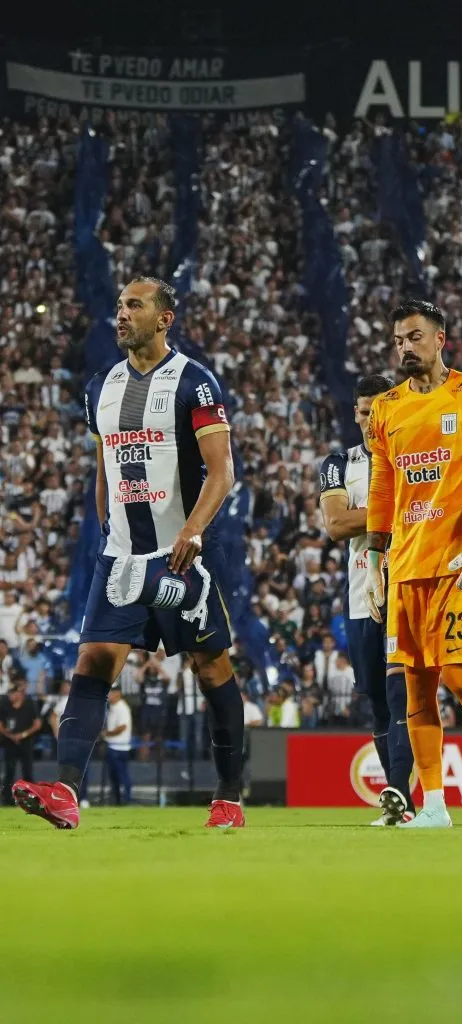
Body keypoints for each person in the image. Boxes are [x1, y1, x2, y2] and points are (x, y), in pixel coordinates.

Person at [12, 277, 246, 831]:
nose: (121, 314)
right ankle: (66, 790)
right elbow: (105, 471)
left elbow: (223, 470)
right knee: (92, 662)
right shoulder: (99, 388)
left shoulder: (195, 382)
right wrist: (107, 530)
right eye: (118, 305)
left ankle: (230, 797)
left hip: (180, 557)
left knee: (211, 669)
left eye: (134, 306)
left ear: (164, 319)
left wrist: (192, 531)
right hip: (121, 557)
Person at [365, 299, 462, 828]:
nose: (405, 348)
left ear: (440, 339)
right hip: (407, 564)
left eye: (414, 337)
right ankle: (433, 803)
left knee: (458, 675)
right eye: (398, 341)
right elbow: (383, 485)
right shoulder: (386, 408)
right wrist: (372, 558)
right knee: (416, 686)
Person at [320, 373, 416, 826]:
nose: (368, 420)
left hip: (406, 588)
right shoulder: (339, 463)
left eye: (376, 411)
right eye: (362, 412)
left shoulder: (413, 458)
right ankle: (404, 804)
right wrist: (393, 511)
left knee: (401, 694)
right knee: (377, 701)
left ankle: (400, 793)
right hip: (362, 594)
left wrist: (370, 515)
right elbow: (336, 525)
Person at [0, 681, 42, 803]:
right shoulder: (4, 704)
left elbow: (37, 724)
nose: (11, 696)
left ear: (20, 693)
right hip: (9, 742)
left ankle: (30, 799)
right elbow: (1, 724)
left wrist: (22, 735)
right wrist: (11, 735)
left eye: (13, 693)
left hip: (26, 742)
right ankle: (6, 799)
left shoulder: (30, 704)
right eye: (10, 693)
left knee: (28, 771)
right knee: (9, 771)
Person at [100, 683, 133, 805]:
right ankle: (118, 799)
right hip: (113, 746)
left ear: (118, 693)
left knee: (122, 775)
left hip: (120, 748)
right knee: (114, 776)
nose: (109, 695)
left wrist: (107, 734)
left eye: (112, 692)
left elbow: (122, 727)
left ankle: (127, 799)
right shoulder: (113, 707)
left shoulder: (122, 707)